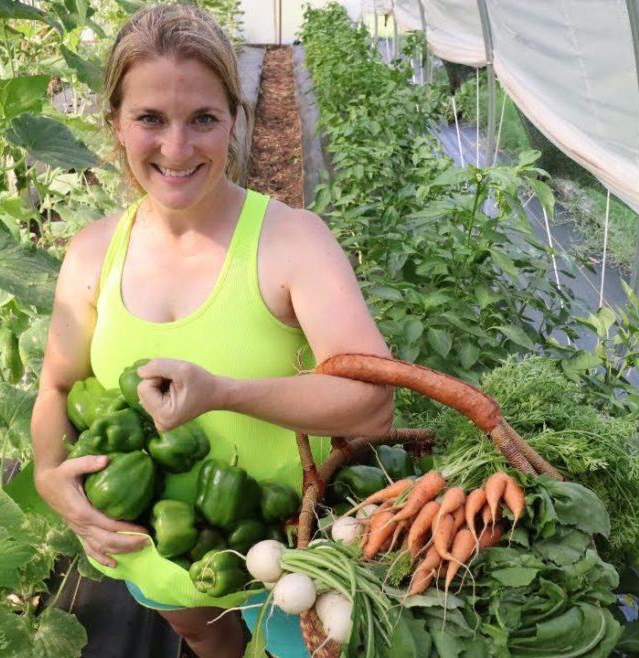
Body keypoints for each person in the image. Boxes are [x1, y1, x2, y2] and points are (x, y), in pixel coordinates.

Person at [29, 5, 393, 657]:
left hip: (291, 557)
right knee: (200, 632)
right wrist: (48, 473)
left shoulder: (291, 242)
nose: (176, 148)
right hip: (154, 556)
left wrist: (221, 390)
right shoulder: (91, 255)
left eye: (202, 118)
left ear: (235, 118)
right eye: (150, 119)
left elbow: (372, 403)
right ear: (115, 122)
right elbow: (56, 388)